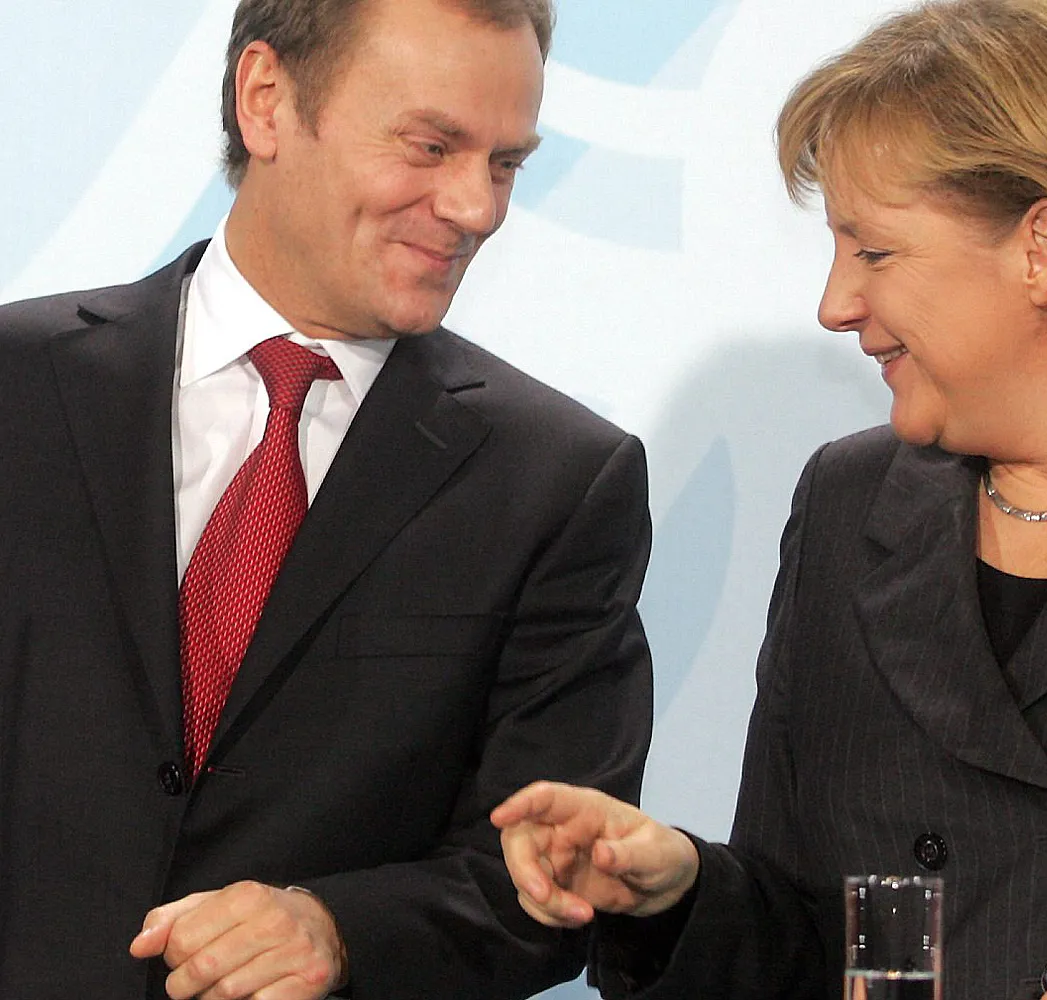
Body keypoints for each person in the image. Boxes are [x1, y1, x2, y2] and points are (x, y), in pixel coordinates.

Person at [491, 1, 1047, 998]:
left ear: (1042, 245)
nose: (835, 304)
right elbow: (808, 928)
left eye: (875, 252)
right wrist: (677, 892)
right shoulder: (850, 504)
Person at [0, 0, 653, 997]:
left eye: (505, 164)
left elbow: (545, 877)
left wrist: (341, 930)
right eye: (431, 145)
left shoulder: (557, 481)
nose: (476, 208)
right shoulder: (18, 388)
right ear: (266, 100)